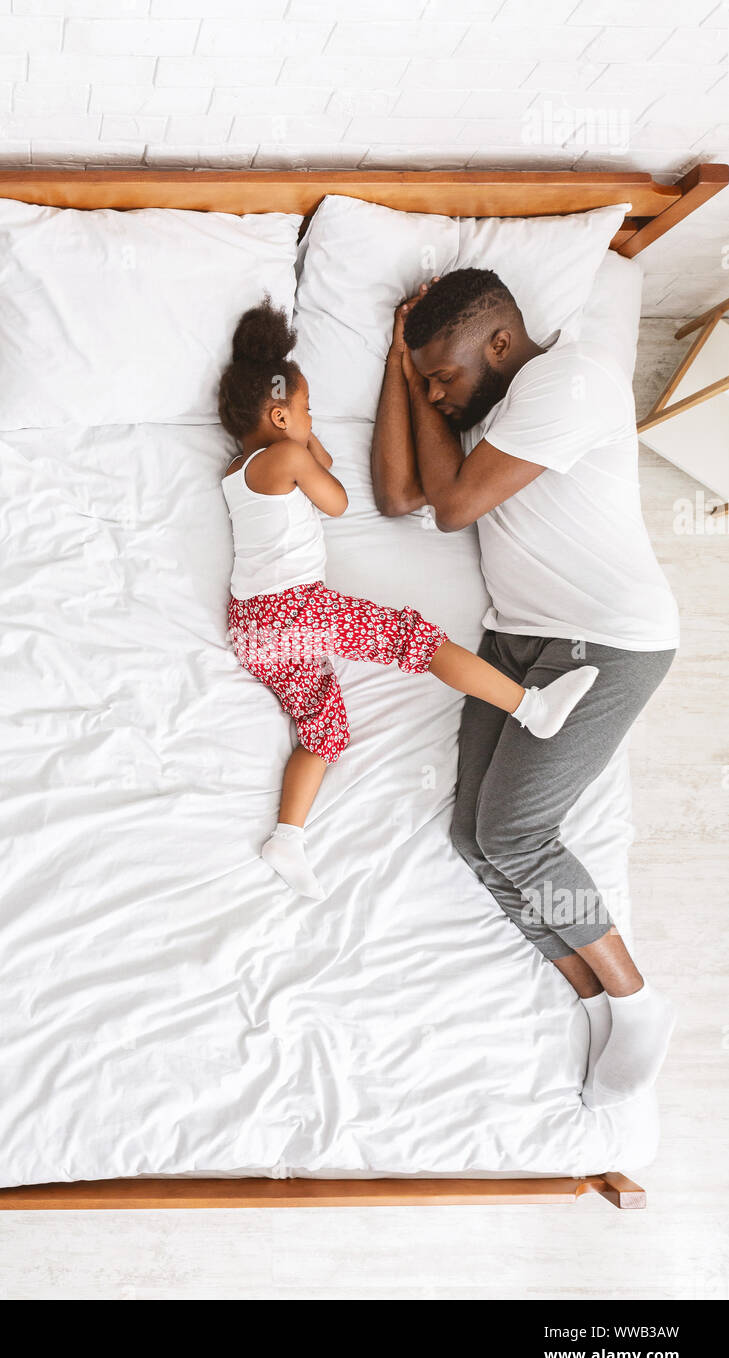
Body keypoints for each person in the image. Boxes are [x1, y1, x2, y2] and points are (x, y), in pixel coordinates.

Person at [371, 267, 679, 1109]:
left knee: (514, 835)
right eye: (431, 384)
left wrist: (424, 387)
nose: (439, 395)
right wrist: (404, 369)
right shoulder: (490, 415)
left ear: (500, 343)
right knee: (473, 840)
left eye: (444, 376)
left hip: (605, 640)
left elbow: (452, 508)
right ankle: (592, 1000)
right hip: (516, 640)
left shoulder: (567, 381)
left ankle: (637, 1001)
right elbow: (400, 494)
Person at [219, 297, 598, 904]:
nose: (313, 419)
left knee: (323, 729)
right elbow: (336, 499)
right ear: (281, 415)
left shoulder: (237, 468)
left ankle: (287, 837)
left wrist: (302, 435)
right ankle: (531, 708)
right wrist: (306, 443)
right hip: (292, 609)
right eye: (307, 409)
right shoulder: (288, 455)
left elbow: (309, 460)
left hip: (252, 628)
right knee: (414, 640)